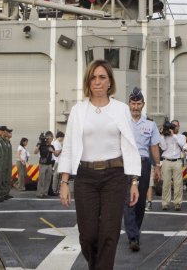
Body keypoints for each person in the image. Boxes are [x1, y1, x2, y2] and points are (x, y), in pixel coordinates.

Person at [58, 60, 141, 270]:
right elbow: (68, 146)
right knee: (88, 236)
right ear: (88, 81)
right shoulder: (78, 110)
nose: (97, 81)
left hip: (115, 175)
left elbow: (130, 146)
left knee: (109, 233)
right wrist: (64, 181)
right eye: (93, 77)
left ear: (110, 82)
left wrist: (134, 181)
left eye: (102, 77)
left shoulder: (121, 109)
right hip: (85, 177)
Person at [123, 87, 162, 252]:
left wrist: (157, 166)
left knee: (140, 202)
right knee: (128, 200)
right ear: (129, 104)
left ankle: (135, 232)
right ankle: (133, 237)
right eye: (133, 103)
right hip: (125, 164)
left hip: (143, 163)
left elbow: (153, 146)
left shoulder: (150, 124)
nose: (135, 107)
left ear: (143, 104)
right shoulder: (122, 122)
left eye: (138, 103)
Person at [159, 120, 183, 211]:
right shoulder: (165, 136)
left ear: (178, 126)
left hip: (177, 161)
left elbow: (182, 144)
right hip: (166, 161)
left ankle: (177, 203)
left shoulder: (181, 136)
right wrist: (161, 135)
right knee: (166, 183)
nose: (174, 127)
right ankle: (165, 203)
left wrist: (173, 135)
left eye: (176, 126)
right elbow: (164, 147)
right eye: (172, 126)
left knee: (178, 184)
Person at [36, 131, 55, 198]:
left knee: (48, 179)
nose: (51, 140)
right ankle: (39, 193)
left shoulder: (51, 146)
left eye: (52, 138)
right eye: (50, 138)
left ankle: (45, 192)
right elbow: (35, 152)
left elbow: (56, 154)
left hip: (49, 164)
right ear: (47, 138)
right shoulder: (41, 145)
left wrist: (52, 151)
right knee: (41, 179)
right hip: (43, 164)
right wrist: (39, 143)